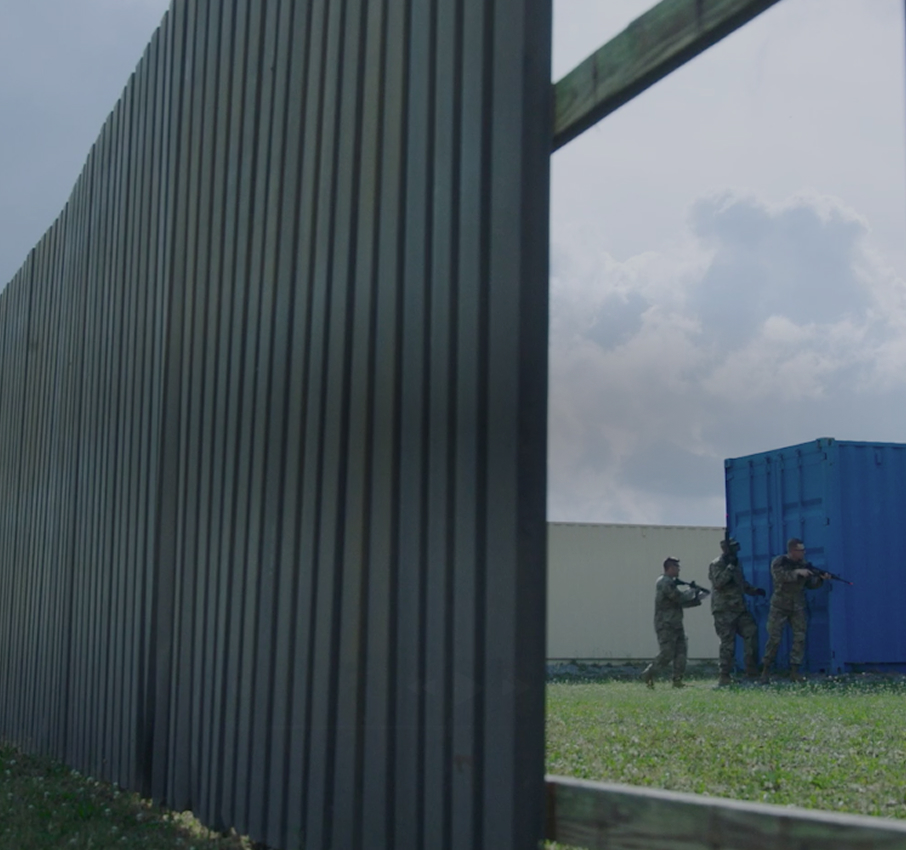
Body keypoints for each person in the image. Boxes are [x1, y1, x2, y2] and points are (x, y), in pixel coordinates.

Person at [760, 538, 828, 683]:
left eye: (804, 550)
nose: (803, 553)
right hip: (779, 606)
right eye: (800, 550)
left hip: (798, 606)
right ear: (792, 551)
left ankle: (795, 672)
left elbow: (810, 585)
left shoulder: (805, 565)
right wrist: (797, 572)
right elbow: (780, 577)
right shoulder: (779, 562)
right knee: (774, 639)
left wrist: (820, 579)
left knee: (800, 638)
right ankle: (765, 671)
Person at [641, 557, 706, 689]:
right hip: (665, 624)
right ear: (670, 568)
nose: (679, 570)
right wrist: (692, 590)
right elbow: (678, 597)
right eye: (677, 567)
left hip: (675, 623)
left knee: (681, 653)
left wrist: (697, 599)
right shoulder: (664, 582)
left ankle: (677, 681)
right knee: (667, 653)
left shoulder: (670, 582)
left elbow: (679, 603)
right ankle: (649, 673)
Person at [708, 536, 765, 686]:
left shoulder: (737, 562)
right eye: (732, 548)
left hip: (739, 609)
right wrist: (730, 567)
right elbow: (718, 583)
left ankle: (751, 669)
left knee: (751, 631)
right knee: (728, 643)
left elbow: (741, 583)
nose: (736, 551)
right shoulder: (717, 564)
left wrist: (754, 591)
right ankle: (724, 675)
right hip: (723, 610)